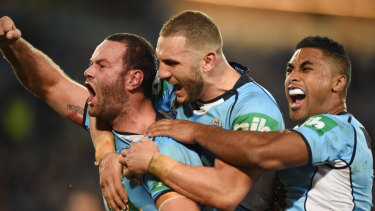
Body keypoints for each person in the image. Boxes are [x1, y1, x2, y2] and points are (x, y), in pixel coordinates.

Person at [124, 36, 374, 210]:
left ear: (338, 83)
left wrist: (194, 131)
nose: (293, 77)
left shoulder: (339, 129)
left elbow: (258, 151)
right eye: (290, 70)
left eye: (306, 69)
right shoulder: (304, 136)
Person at [0, 16, 204, 211]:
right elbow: (50, 85)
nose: (88, 72)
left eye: (102, 65)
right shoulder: (106, 121)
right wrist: (11, 46)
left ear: (133, 79)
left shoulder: (161, 151)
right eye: (91, 64)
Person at [94, 10, 285, 210]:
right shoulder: (176, 86)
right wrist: (105, 155)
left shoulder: (254, 111)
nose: (162, 73)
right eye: (161, 61)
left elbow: (227, 192)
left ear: (208, 61)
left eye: (172, 63)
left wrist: (154, 162)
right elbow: (102, 100)